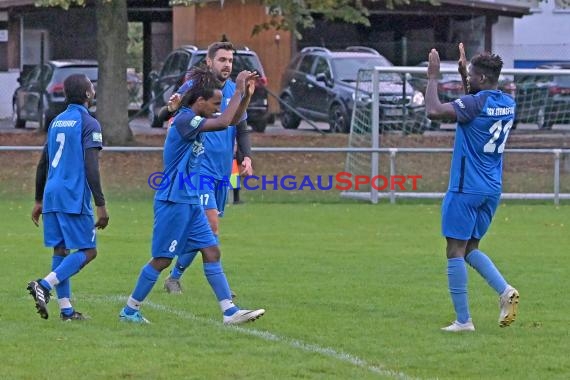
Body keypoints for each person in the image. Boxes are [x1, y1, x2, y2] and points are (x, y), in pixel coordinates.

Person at [119, 67, 265, 324]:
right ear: (199, 102)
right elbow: (223, 121)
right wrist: (238, 89)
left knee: (211, 251)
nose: (218, 108)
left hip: (191, 199)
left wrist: (246, 96)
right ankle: (130, 310)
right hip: (173, 200)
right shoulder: (185, 120)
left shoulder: (195, 116)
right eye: (215, 104)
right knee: (162, 259)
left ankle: (229, 311)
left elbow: (230, 121)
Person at [426, 43, 519, 332]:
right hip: (491, 188)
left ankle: (464, 321)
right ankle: (505, 291)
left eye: (470, 75)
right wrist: (467, 76)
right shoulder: (506, 102)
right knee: (470, 249)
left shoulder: (475, 103)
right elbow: (476, 104)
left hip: (466, 187)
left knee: (454, 249)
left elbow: (434, 111)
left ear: (480, 79)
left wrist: (432, 76)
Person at [160, 41, 254, 295]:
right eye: (222, 60)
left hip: (221, 170)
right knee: (211, 226)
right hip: (197, 170)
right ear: (209, 62)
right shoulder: (193, 87)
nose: (227, 65)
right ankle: (221, 290)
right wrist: (169, 112)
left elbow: (241, 126)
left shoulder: (235, 89)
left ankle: (173, 276)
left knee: (203, 229)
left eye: (231, 61)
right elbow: (171, 115)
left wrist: (246, 157)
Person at [28, 73, 109, 321]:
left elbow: (43, 162)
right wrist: (101, 205)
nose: (93, 91)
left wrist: (39, 199)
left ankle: (66, 311)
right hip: (72, 196)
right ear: (86, 94)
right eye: (91, 87)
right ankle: (44, 284)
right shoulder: (89, 123)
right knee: (89, 250)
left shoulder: (56, 122)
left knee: (61, 250)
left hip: (52, 194)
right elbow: (91, 166)